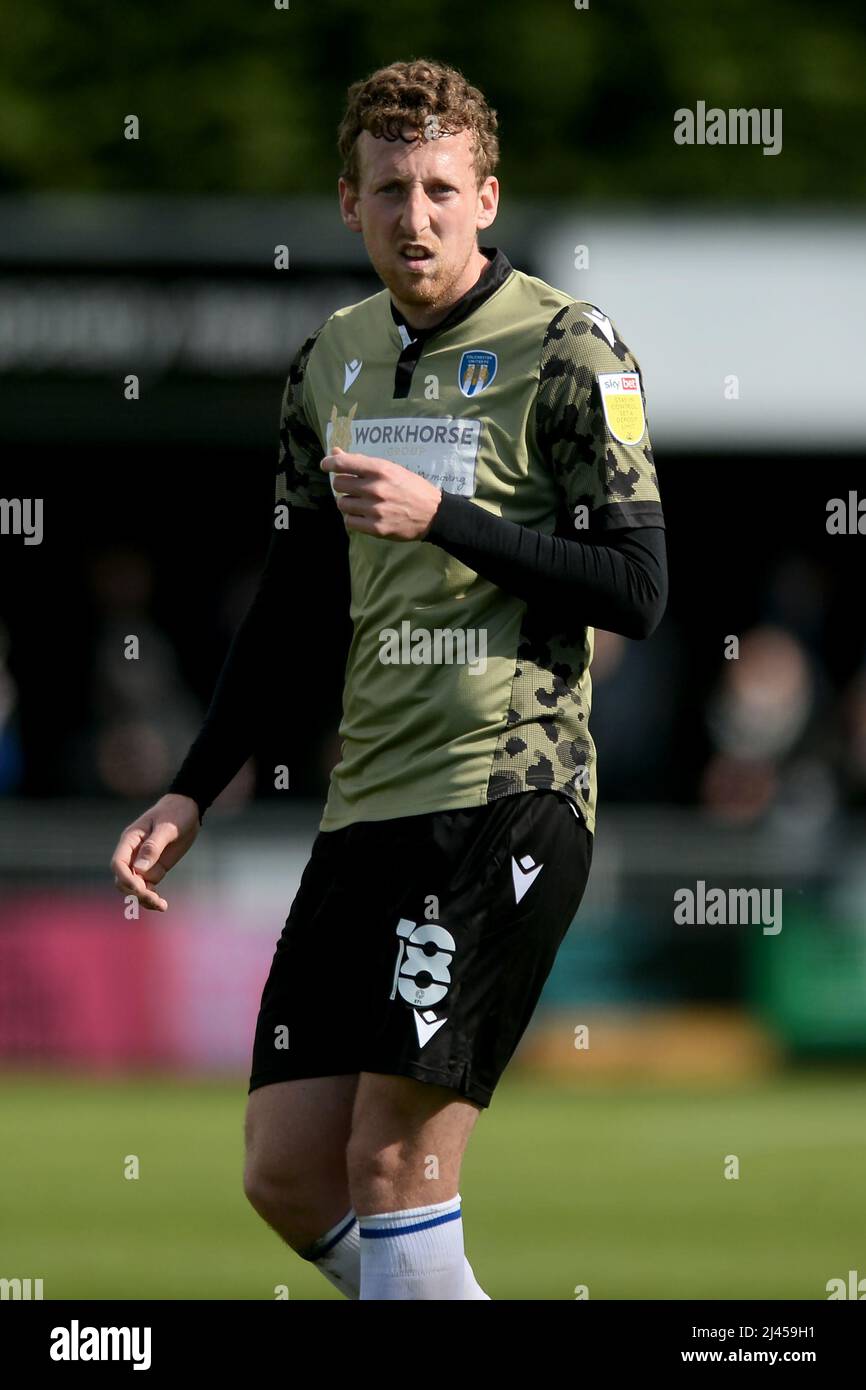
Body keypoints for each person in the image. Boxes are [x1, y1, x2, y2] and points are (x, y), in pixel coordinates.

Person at [110, 57, 668, 1300]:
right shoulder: (329, 364)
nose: (412, 215)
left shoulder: (571, 345)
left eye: (437, 188)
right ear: (348, 204)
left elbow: (636, 588)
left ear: (485, 197)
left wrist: (445, 516)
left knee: (396, 1161)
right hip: (366, 808)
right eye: (387, 190)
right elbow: (296, 608)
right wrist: (190, 791)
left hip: (502, 796)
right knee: (287, 1169)